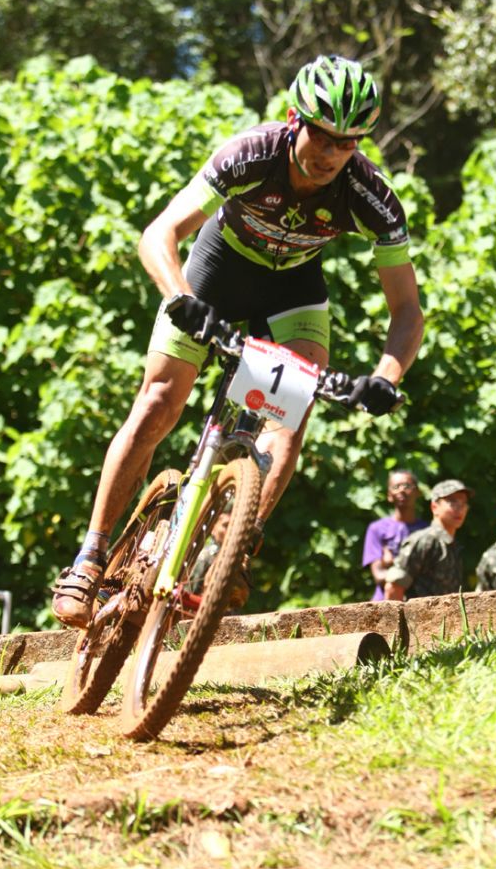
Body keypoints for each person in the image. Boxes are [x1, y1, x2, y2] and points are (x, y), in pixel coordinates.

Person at [52, 54, 424, 628]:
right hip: (216, 272)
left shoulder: (369, 194)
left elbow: (406, 310)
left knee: (287, 421)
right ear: (293, 119)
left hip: (293, 291)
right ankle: (91, 554)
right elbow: (160, 234)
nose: (330, 154)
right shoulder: (252, 153)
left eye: (347, 143)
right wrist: (178, 296)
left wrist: (385, 378)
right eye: (322, 135)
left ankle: (231, 550)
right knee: (159, 402)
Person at [384, 479, 472, 600]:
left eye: (463, 503)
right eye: (452, 502)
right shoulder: (425, 540)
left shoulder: (452, 545)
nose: (460, 508)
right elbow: (394, 588)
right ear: (434, 507)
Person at [362, 469, 428, 600]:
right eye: (395, 487)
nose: (401, 490)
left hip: (419, 601)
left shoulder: (427, 531)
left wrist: (391, 563)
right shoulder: (377, 529)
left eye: (407, 486)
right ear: (389, 495)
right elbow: (379, 576)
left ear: (417, 492)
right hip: (385, 601)